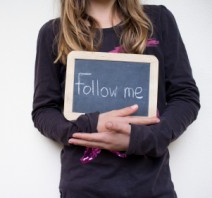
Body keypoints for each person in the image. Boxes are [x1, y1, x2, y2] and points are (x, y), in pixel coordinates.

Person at [31, 0, 200, 197]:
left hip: (150, 187)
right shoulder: (54, 33)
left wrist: (142, 139)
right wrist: (88, 127)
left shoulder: (157, 20)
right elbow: (43, 111)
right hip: (83, 189)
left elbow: (185, 96)